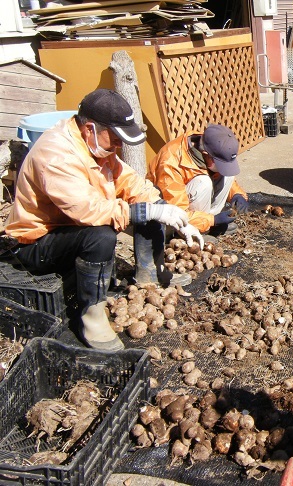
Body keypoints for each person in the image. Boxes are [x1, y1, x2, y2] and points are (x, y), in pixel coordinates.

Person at [5, 89, 203, 352]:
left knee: (146, 205)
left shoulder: (97, 146)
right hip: (37, 243)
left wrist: (167, 210)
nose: (119, 146)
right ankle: (92, 315)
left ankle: (150, 274)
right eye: (116, 138)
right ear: (90, 128)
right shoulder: (55, 156)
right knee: (102, 233)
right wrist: (148, 212)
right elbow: (88, 211)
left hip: (71, 228)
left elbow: (130, 183)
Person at [148, 124, 248, 238]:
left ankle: (209, 225)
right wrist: (213, 220)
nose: (222, 168)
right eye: (220, 164)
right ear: (206, 155)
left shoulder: (209, 145)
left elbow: (224, 175)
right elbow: (176, 211)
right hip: (170, 217)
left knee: (227, 175)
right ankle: (196, 230)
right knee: (203, 182)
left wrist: (237, 195)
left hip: (198, 211)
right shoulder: (170, 162)